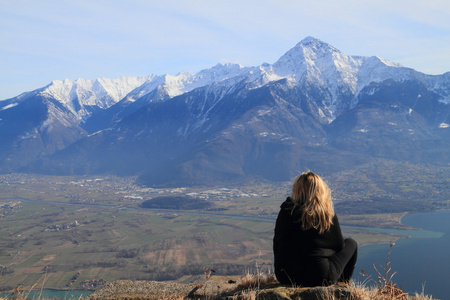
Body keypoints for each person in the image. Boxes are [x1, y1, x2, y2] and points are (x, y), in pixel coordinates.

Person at [273, 171, 358, 286]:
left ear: (297, 189)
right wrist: (322, 250)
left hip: (287, 276)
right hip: (320, 277)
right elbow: (339, 246)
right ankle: (343, 286)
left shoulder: (287, 210)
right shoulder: (326, 214)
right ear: (320, 190)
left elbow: (277, 242)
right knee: (351, 243)